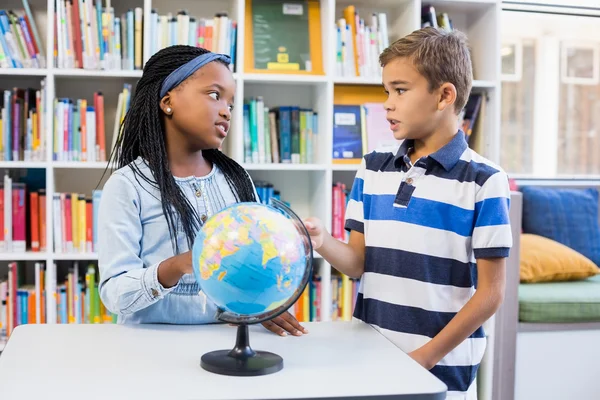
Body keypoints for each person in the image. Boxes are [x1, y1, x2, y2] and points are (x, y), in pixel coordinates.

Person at [305, 28, 511, 399]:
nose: (387, 103)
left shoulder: (485, 181)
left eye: (400, 90)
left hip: (441, 370)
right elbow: (356, 263)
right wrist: (321, 240)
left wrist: (425, 357)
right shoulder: (372, 167)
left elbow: (491, 294)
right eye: (387, 91)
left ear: (444, 95)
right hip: (371, 359)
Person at [97, 45, 307, 337]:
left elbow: (251, 264)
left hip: (224, 343)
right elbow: (114, 293)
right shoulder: (127, 186)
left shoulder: (236, 178)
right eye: (214, 95)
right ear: (167, 101)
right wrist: (178, 265)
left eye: (231, 104)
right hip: (149, 349)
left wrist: (263, 306)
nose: (226, 111)